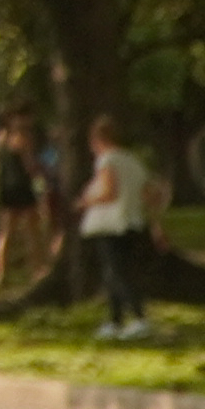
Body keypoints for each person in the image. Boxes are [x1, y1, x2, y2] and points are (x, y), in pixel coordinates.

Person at [81, 113, 157, 340]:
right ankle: (115, 320)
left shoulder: (107, 161)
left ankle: (139, 317)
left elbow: (109, 192)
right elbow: (149, 194)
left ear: (97, 140)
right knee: (116, 271)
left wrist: (86, 200)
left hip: (112, 223)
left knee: (116, 273)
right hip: (132, 221)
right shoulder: (132, 161)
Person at [0, 107, 52, 296]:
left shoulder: (0, 137)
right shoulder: (23, 137)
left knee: (5, 232)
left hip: (5, 188)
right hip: (21, 187)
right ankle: (37, 269)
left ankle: (0, 275)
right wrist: (40, 173)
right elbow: (29, 164)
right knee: (31, 231)